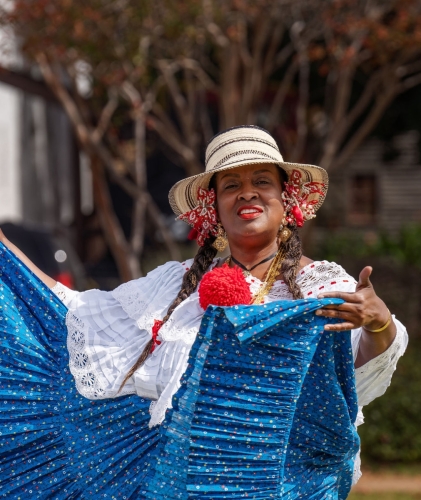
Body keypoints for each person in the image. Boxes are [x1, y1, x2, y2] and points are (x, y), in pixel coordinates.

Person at [0, 125, 407, 499]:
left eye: (261, 181)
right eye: (232, 185)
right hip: (178, 484)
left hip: (276, 485)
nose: (247, 192)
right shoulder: (175, 286)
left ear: (287, 202)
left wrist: (379, 321)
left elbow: (359, 360)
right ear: (215, 208)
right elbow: (76, 310)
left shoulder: (319, 286)